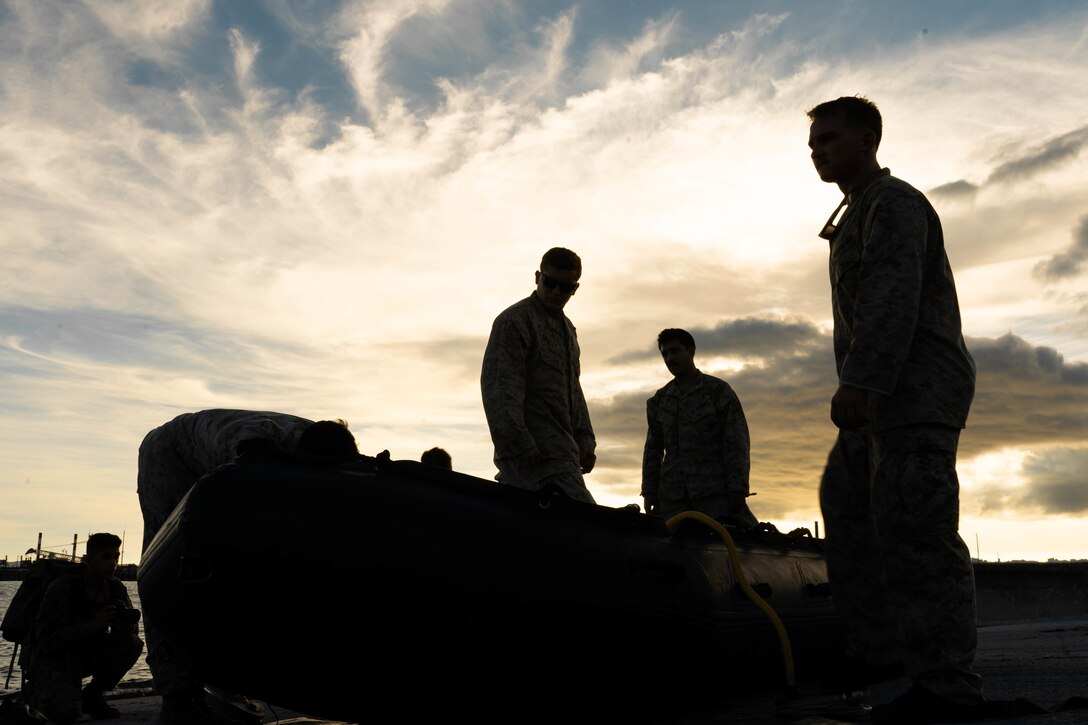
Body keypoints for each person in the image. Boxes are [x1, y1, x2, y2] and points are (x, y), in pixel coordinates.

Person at [806, 96, 983, 723]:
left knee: (918, 532)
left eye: (829, 137)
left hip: (912, 393)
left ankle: (947, 686)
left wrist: (861, 383)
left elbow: (891, 299)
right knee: (849, 508)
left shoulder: (895, 204)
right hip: (879, 400)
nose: (816, 149)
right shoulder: (854, 214)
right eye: (813, 140)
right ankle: (877, 652)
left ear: (868, 139)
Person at [137, 410, 359, 725]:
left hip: (222, 459)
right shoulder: (255, 448)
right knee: (171, 574)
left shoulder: (335, 452)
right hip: (171, 456)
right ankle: (177, 700)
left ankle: (227, 679)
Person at [480, 247, 597, 504]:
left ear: (575, 289)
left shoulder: (568, 331)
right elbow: (499, 388)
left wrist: (585, 438)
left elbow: (573, 390)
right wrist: (518, 443)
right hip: (533, 455)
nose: (556, 291)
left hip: (561, 454)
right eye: (550, 282)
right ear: (537, 277)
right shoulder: (515, 321)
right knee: (586, 526)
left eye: (565, 287)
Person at [641, 328, 758, 527]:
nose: (670, 358)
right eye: (665, 354)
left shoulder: (718, 392)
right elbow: (653, 449)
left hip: (714, 496)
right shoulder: (658, 400)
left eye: (675, 351)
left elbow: (736, 442)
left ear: (691, 351)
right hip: (672, 498)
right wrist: (649, 491)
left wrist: (737, 489)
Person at [24, 532, 143, 725]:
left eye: (116, 556)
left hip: (88, 652)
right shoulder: (63, 588)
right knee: (65, 715)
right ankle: (37, 689)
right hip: (57, 658)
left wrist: (123, 628)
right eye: (106, 557)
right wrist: (92, 626)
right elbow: (46, 640)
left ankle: (92, 697)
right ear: (87, 560)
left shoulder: (115, 587)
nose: (113, 563)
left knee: (132, 644)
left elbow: (131, 630)